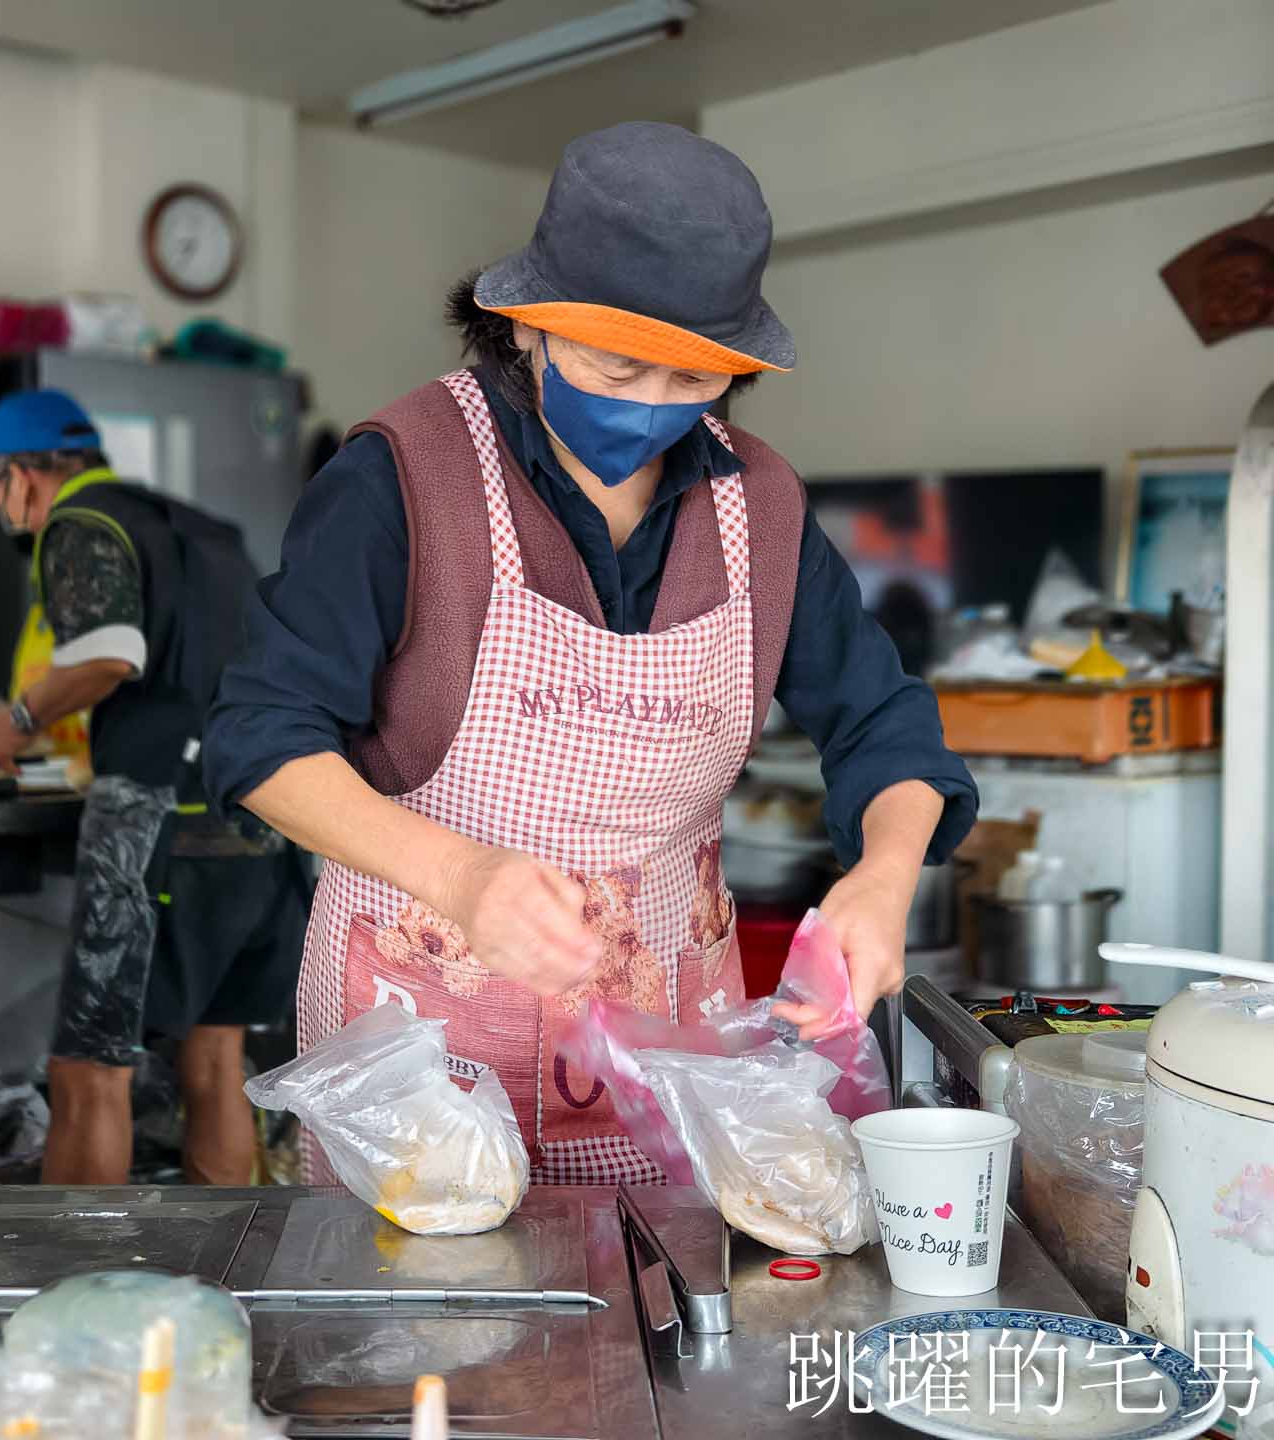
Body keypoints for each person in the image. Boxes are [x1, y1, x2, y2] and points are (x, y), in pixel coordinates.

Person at [203, 122, 978, 1187]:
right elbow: (260, 739)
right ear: (527, 323)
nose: (652, 409)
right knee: (426, 1286)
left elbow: (883, 724)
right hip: (423, 1067)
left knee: (665, 1282)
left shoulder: (762, 507)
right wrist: (461, 876)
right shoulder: (403, 476)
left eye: (693, 378)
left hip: (666, 1056)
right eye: (618, 366)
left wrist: (885, 877)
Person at [0, 389, 304, 1186]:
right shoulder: (201, 530)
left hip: (156, 822)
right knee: (215, 1059)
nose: (1, 509)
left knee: (89, 1070)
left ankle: (80, 1266)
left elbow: (109, 654)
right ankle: (226, 1257)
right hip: (260, 819)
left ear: (22, 476)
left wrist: (11, 723)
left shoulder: (80, 522)